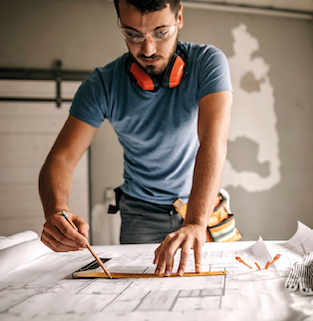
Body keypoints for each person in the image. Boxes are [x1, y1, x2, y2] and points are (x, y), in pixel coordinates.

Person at [38, 0, 232, 276]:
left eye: (161, 32)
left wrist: (196, 223)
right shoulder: (102, 85)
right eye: (133, 35)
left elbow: (213, 140)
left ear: (179, 16)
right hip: (141, 213)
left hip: (203, 208)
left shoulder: (208, 63)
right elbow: (61, 158)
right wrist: (56, 210)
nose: (148, 49)